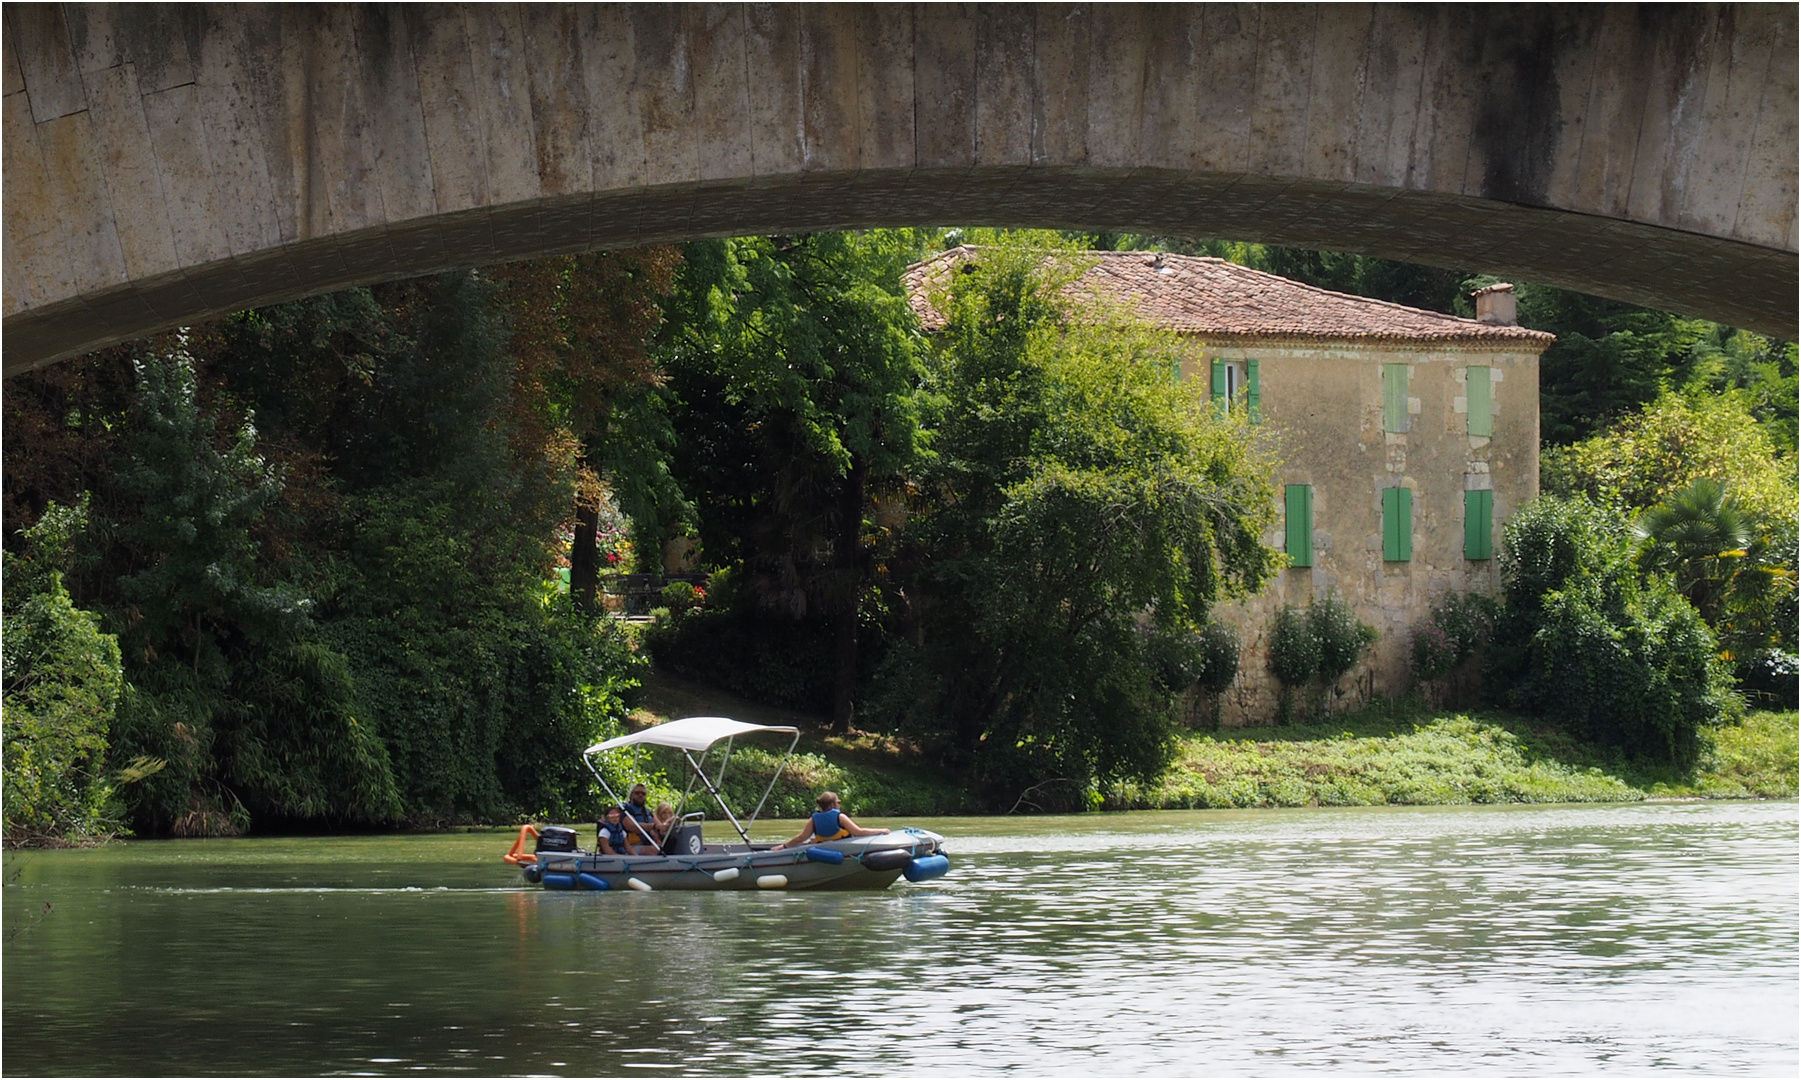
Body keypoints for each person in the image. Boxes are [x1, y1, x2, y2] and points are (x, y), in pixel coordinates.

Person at [775, 791, 889, 849]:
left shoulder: (813, 819)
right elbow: (858, 832)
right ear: (832, 805)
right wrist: (881, 831)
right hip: (843, 849)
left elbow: (802, 837)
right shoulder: (840, 817)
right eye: (838, 802)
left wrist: (784, 846)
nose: (839, 804)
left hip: (823, 848)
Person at [620, 783, 662, 853]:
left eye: (643, 794)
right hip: (630, 846)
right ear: (631, 795)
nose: (640, 795)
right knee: (653, 850)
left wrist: (669, 824)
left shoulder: (647, 812)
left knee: (667, 845)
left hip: (647, 844)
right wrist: (652, 826)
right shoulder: (625, 810)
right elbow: (631, 826)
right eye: (637, 793)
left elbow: (659, 825)